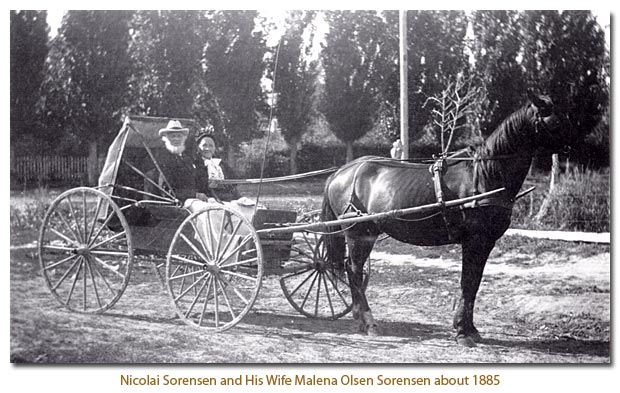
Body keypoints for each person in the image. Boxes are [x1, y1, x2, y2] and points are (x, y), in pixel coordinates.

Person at [195, 132, 241, 202]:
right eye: (204, 145)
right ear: (198, 147)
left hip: (226, 197)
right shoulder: (195, 164)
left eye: (211, 146)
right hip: (208, 198)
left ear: (214, 148)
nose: (208, 149)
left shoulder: (220, 164)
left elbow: (234, 180)